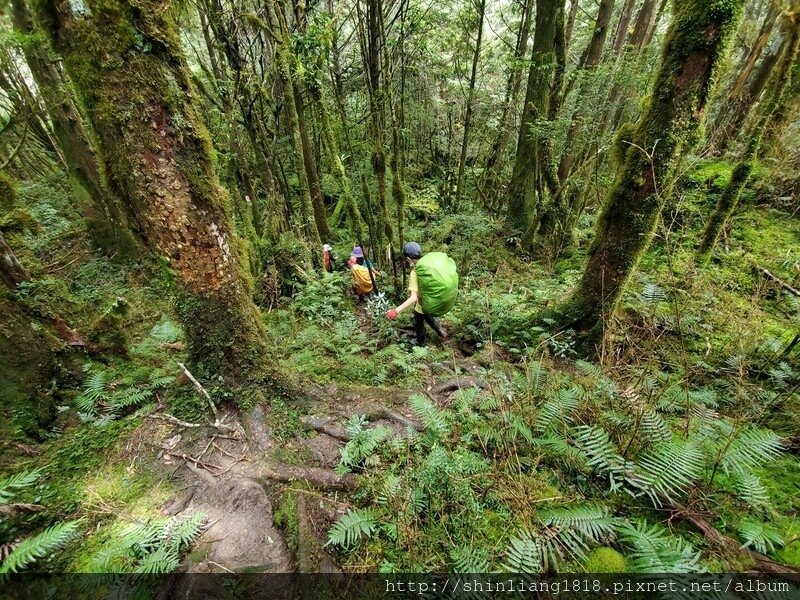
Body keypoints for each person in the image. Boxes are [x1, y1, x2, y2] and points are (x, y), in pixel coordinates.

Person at [386, 241, 448, 346]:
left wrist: (396, 311)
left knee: (417, 322)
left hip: (422, 303)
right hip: (433, 300)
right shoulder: (429, 264)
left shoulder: (415, 272)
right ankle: (441, 332)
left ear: (409, 259)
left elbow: (413, 297)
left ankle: (420, 342)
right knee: (429, 317)